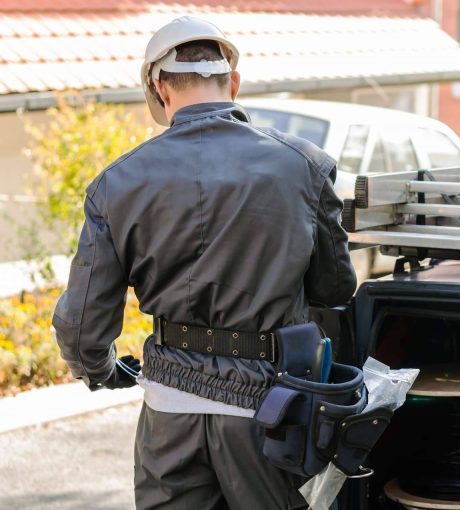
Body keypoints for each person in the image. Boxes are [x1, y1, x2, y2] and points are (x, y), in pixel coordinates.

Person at [52, 16, 356, 510]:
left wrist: (103, 370)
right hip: (270, 413)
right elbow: (336, 287)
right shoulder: (304, 164)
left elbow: (83, 326)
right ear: (232, 83)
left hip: (169, 416)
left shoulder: (117, 184)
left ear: (159, 88)